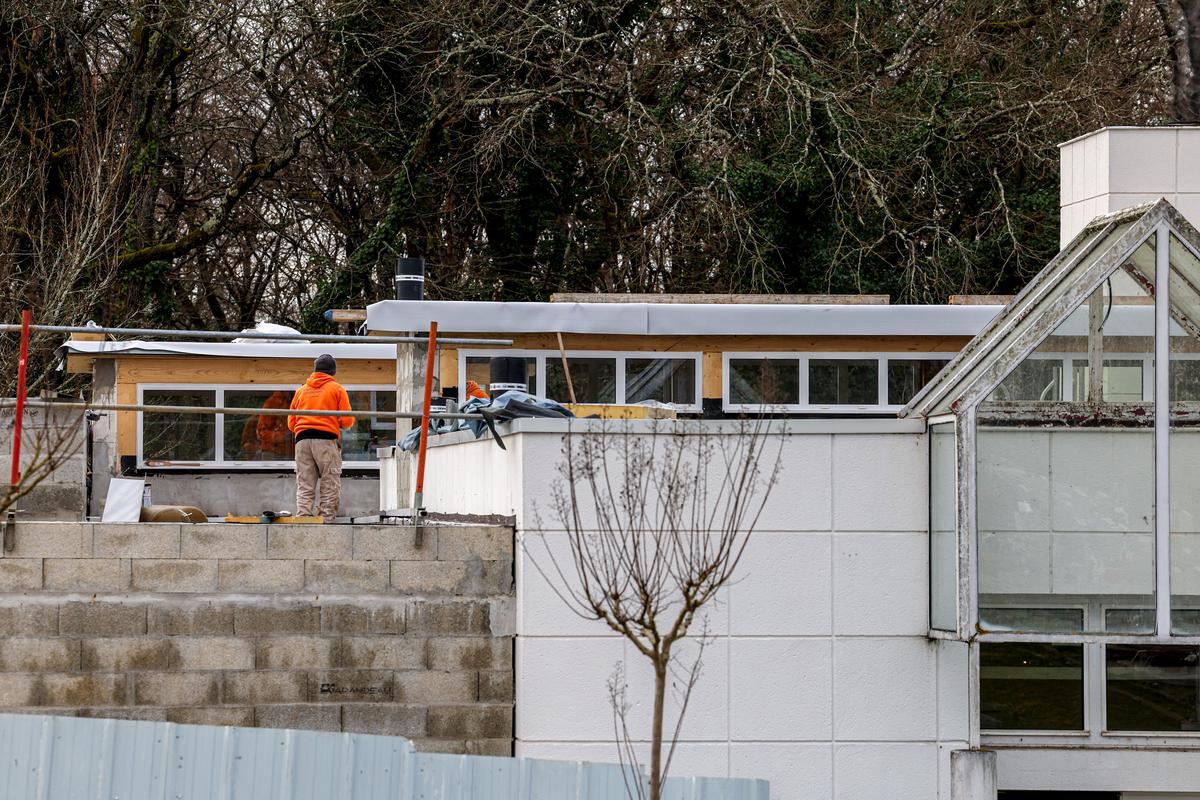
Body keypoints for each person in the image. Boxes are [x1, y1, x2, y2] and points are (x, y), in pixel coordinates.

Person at [288, 354, 354, 521]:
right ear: (333, 371)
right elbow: (347, 421)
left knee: (305, 483)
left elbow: (291, 423)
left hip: (302, 440)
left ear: (315, 370)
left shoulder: (301, 391)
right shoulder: (337, 389)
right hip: (326, 439)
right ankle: (325, 521)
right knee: (330, 481)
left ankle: (303, 518)